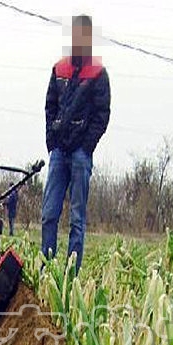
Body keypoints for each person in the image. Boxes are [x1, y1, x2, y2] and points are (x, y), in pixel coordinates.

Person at [41, 14, 111, 273]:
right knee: (49, 214)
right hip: (59, 151)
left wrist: (87, 146)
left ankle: (71, 277)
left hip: (81, 154)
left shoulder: (98, 74)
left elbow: (102, 115)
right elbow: (50, 106)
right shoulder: (59, 69)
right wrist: (52, 140)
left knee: (77, 219)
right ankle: (47, 272)